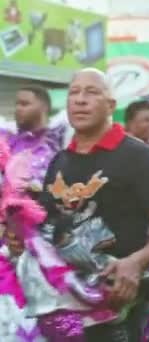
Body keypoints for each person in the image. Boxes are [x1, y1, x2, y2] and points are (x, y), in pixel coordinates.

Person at [9, 69, 149, 342]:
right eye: (74, 93)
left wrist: (135, 263)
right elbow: (47, 227)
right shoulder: (60, 161)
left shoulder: (141, 157)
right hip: (66, 309)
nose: (80, 100)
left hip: (121, 305)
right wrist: (22, 240)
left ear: (111, 105)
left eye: (91, 92)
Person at [0, 85, 71, 341]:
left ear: (43, 106)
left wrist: (36, 191)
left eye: (24, 103)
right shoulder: (8, 142)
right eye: (16, 103)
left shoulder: (59, 142)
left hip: (48, 246)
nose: (18, 109)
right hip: (8, 242)